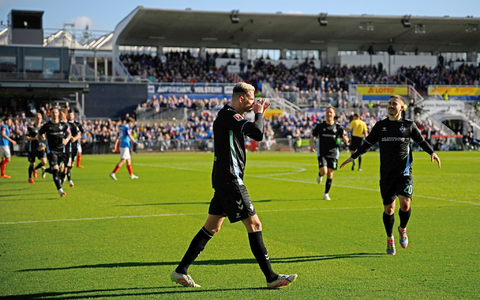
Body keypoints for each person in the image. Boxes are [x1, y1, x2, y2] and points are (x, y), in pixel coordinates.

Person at [170, 82, 297, 289]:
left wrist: (257, 114)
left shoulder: (228, 117)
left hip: (224, 179)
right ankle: (271, 277)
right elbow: (258, 133)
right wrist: (259, 114)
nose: (254, 101)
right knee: (254, 224)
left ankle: (180, 271)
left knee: (212, 226)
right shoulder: (230, 116)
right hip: (230, 179)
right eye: (251, 98)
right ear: (241, 98)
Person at [340, 95, 441, 255]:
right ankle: (389, 238)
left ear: (402, 108)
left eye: (395, 104)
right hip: (386, 174)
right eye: (390, 103)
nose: (391, 106)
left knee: (405, 204)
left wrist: (432, 152)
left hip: (405, 172)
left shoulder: (409, 125)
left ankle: (402, 228)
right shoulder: (381, 126)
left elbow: (421, 141)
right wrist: (353, 156)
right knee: (389, 209)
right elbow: (367, 144)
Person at [309, 106, 349, 200]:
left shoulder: (338, 127)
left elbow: (344, 136)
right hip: (322, 152)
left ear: (334, 114)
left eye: (331, 112)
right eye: (327, 112)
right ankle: (320, 174)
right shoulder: (320, 126)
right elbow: (312, 136)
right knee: (324, 171)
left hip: (334, 153)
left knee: (330, 174)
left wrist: (346, 139)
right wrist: (311, 146)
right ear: (325, 114)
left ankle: (326, 193)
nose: (329, 114)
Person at [38, 107, 72, 197]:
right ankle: (60, 190)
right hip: (51, 151)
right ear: (50, 114)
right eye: (53, 113)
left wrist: (67, 139)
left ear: (58, 113)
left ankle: (45, 170)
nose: (55, 114)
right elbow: (39, 133)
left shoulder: (63, 125)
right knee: (56, 170)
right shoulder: (47, 126)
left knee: (61, 169)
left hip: (61, 150)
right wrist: (41, 143)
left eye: (56, 112)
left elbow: (69, 133)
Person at [25, 113, 47, 184]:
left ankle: (35, 169)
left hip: (41, 147)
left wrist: (44, 138)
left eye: (40, 118)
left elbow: (44, 136)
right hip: (33, 148)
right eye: (37, 118)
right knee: (32, 163)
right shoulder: (31, 128)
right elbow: (26, 138)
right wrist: (33, 138)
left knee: (44, 162)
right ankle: (30, 178)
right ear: (34, 118)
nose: (39, 119)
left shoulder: (43, 127)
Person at [65, 109, 82, 187]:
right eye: (68, 114)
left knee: (71, 164)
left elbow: (80, 133)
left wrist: (75, 138)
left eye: (71, 115)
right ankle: (69, 179)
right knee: (68, 162)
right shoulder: (65, 124)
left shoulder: (76, 124)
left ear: (74, 116)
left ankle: (65, 173)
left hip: (75, 146)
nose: (69, 116)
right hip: (68, 146)